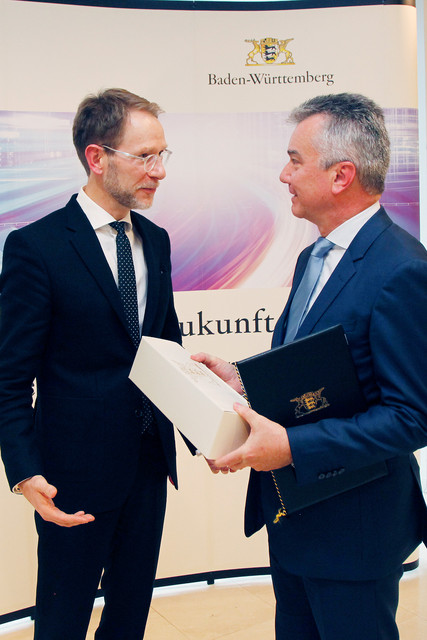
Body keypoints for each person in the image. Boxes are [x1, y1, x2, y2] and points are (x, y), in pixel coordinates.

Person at [193, 93, 427, 640]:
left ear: (342, 175)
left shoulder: (403, 270)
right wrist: (243, 379)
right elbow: (315, 370)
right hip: (294, 518)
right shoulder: (311, 256)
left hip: (356, 534)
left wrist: (293, 449)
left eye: (295, 160)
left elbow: (412, 418)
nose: (282, 174)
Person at [0, 88, 182, 639]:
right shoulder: (37, 247)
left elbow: (163, 350)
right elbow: (9, 375)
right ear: (97, 158)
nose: (159, 171)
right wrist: (25, 472)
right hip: (71, 476)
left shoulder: (158, 239)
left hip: (149, 465)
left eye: (163, 155)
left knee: (130, 616)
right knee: (63, 618)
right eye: (144, 156)